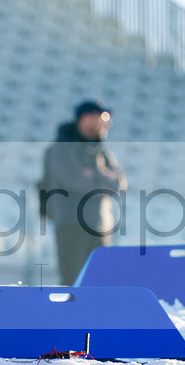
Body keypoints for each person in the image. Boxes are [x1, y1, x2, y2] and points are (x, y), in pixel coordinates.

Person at [38, 99, 128, 286]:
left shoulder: (101, 150)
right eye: (103, 117)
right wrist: (102, 178)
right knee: (73, 282)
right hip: (71, 225)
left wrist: (96, 174)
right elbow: (75, 180)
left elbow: (120, 182)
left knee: (101, 283)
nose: (107, 123)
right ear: (86, 119)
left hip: (101, 227)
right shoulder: (61, 148)